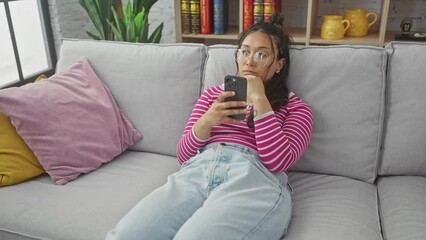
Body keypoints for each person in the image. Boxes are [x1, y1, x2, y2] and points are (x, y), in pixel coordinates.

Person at [106, 13, 313, 240]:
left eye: (262, 54)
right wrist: (208, 120)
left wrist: (261, 100)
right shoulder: (213, 96)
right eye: (244, 51)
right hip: (198, 170)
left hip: (254, 177)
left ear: (278, 65)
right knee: (126, 235)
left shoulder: (296, 108)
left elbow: (277, 162)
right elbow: (184, 155)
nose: (249, 61)